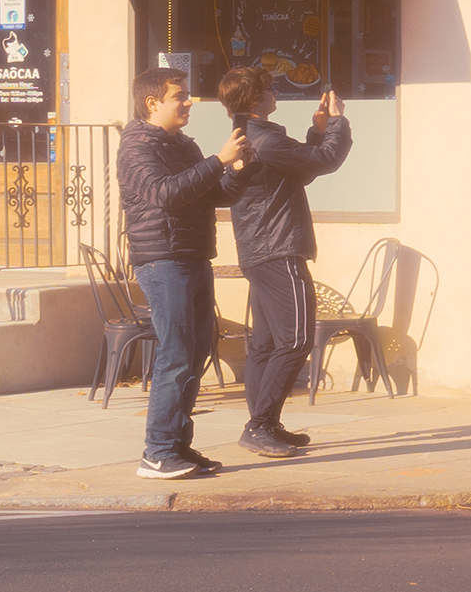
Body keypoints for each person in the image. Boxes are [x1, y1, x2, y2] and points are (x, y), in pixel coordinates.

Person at [117, 67, 249, 481]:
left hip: (192, 255)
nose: (189, 101)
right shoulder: (136, 146)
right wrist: (216, 161)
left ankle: (176, 445)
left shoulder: (181, 143)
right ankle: (156, 454)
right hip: (162, 260)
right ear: (152, 102)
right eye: (180, 95)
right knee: (176, 354)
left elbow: (213, 194)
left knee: (196, 352)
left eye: (188, 94)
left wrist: (237, 171)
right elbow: (166, 194)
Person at [214, 67, 352, 457]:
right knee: (295, 339)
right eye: (269, 88)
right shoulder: (265, 139)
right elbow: (324, 161)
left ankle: (267, 424)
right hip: (277, 250)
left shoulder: (250, 136)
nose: (276, 93)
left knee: (266, 343)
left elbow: (300, 168)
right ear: (255, 99)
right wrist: (338, 122)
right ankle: (259, 426)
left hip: (259, 251)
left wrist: (318, 130)